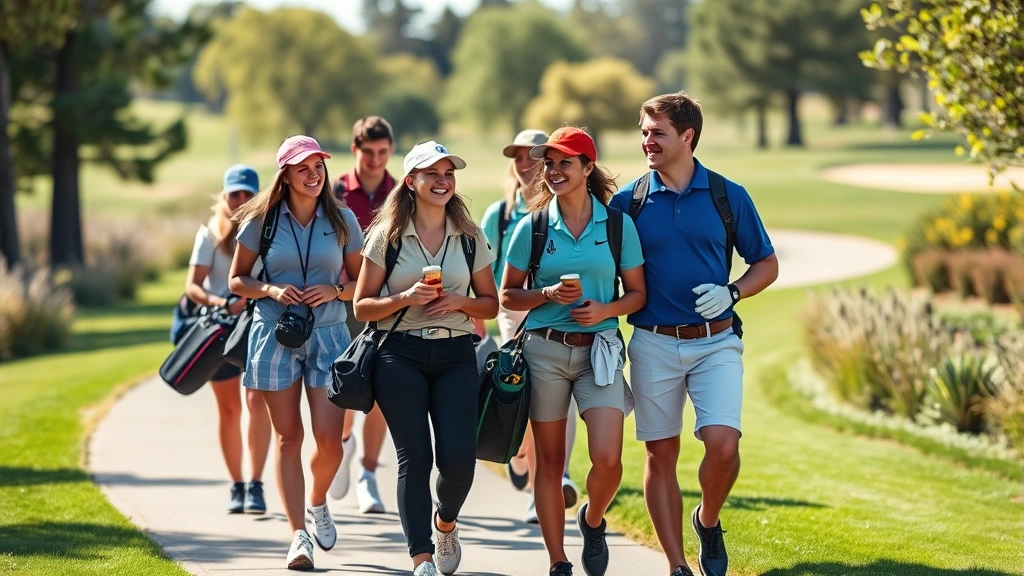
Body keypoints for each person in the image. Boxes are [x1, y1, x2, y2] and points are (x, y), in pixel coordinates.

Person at [608, 92, 779, 576]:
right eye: (644, 132)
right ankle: (677, 565)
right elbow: (610, 277)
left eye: (657, 133)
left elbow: (765, 262)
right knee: (661, 452)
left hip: (716, 340)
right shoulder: (628, 204)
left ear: (687, 136)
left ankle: (708, 519)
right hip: (653, 343)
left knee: (723, 444)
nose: (647, 141)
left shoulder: (728, 196)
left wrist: (735, 292)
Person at [500, 127, 646, 576]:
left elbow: (638, 295)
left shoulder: (618, 225)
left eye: (565, 162)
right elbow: (507, 295)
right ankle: (558, 560)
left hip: (599, 351)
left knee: (608, 460)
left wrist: (605, 308)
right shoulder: (534, 226)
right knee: (550, 462)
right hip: (543, 352)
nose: (554, 170)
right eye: (549, 163)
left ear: (587, 167)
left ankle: (593, 519)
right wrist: (545, 295)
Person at [353, 141, 498, 576]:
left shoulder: (470, 237)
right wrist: (404, 298)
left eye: (448, 173)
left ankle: (446, 522)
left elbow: (490, 304)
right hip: (399, 354)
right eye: (431, 174)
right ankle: (421, 557)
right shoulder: (387, 236)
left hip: (456, 353)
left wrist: (460, 301)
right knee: (414, 458)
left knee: (458, 459)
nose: (442, 181)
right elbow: (361, 306)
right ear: (411, 182)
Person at [229, 135, 365, 571]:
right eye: (303, 167)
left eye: (318, 166)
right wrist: (269, 288)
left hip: (328, 335)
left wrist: (336, 289)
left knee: (330, 442)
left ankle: (318, 502)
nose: (313, 174)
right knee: (290, 439)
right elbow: (237, 280)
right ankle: (298, 538)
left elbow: (365, 283)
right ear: (285, 173)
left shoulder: (342, 218)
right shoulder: (261, 220)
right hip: (274, 334)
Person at [479, 129, 580, 524]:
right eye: (517, 157)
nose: (524, 164)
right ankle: (521, 454)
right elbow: (485, 277)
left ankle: (553, 480)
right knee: (524, 392)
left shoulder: (564, 206)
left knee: (555, 398)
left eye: (532, 157)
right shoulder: (500, 215)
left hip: (560, 314)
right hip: (517, 313)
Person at [184, 164, 271, 515]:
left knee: (256, 403)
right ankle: (237, 485)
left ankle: (256, 484)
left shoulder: (268, 230)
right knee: (229, 409)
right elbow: (192, 287)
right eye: (234, 193)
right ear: (224, 195)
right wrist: (222, 301)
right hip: (220, 329)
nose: (240, 200)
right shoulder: (210, 234)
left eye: (247, 194)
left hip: (257, 325)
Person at [329, 116, 397, 514]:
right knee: (344, 389)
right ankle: (342, 445)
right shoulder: (334, 191)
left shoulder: (401, 191)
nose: (375, 160)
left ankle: (368, 475)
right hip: (343, 304)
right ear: (355, 149)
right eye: (368, 152)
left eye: (383, 152)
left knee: (382, 396)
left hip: (389, 304)